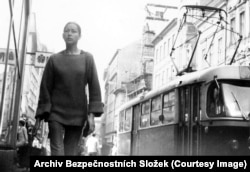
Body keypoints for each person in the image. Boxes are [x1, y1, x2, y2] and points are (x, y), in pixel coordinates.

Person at [32, 21, 103, 156]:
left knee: (70, 152)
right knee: (57, 151)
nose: (69, 33)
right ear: (63, 35)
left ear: (79, 36)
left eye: (73, 31)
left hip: (77, 113)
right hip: (56, 113)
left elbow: (94, 87)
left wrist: (91, 115)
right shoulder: (54, 59)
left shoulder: (87, 58)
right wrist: (39, 116)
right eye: (67, 30)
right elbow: (45, 87)